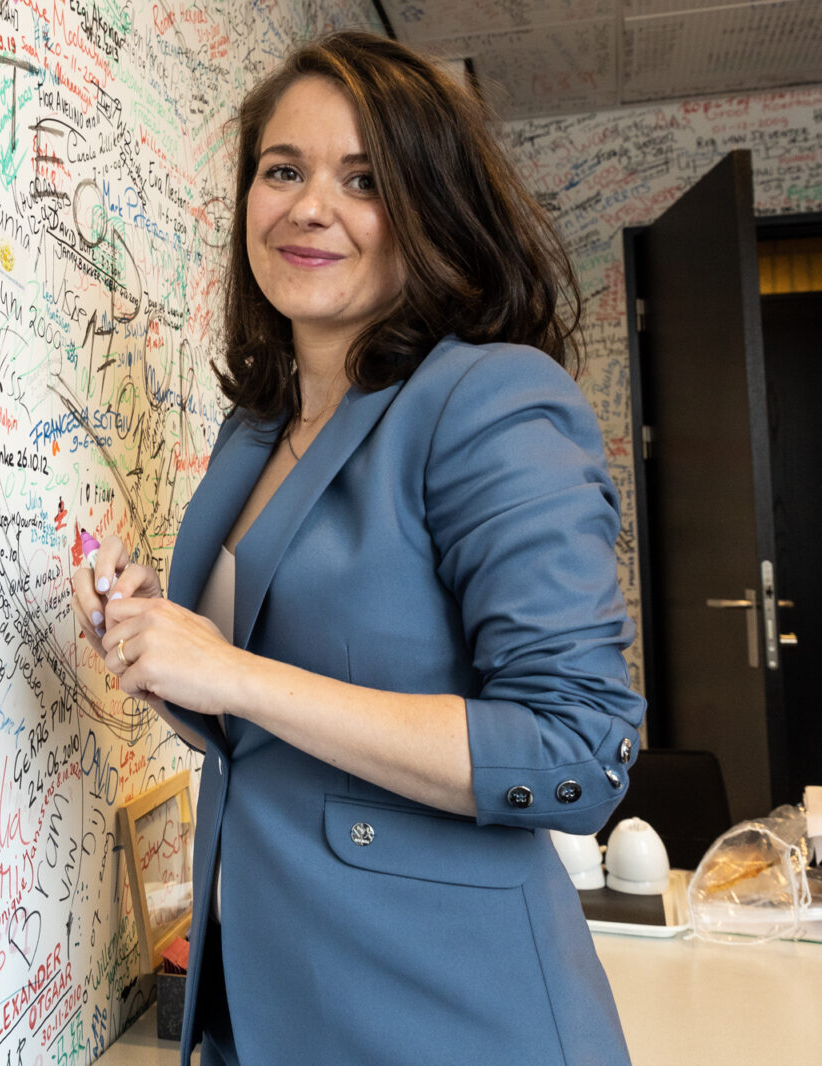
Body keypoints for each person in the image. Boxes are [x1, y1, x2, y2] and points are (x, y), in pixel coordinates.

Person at [71, 31, 644, 1066]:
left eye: (364, 179)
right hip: (269, 1003)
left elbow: (576, 751)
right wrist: (158, 646)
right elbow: (262, 734)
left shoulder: (491, 400)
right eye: (282, 171)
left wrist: (232, 672)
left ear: (430, 207)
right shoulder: (259, 427)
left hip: (446, 1014)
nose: (309, 207)